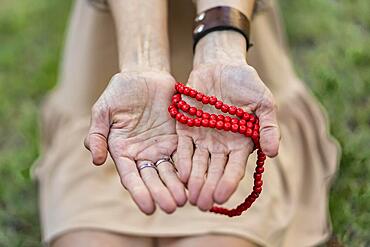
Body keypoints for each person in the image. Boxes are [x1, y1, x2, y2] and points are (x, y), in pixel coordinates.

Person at [34, 0, 339, 246]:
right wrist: (143, 64)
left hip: (233, 36)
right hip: (114, 49)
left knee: (219, 240)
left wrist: (220, 47)